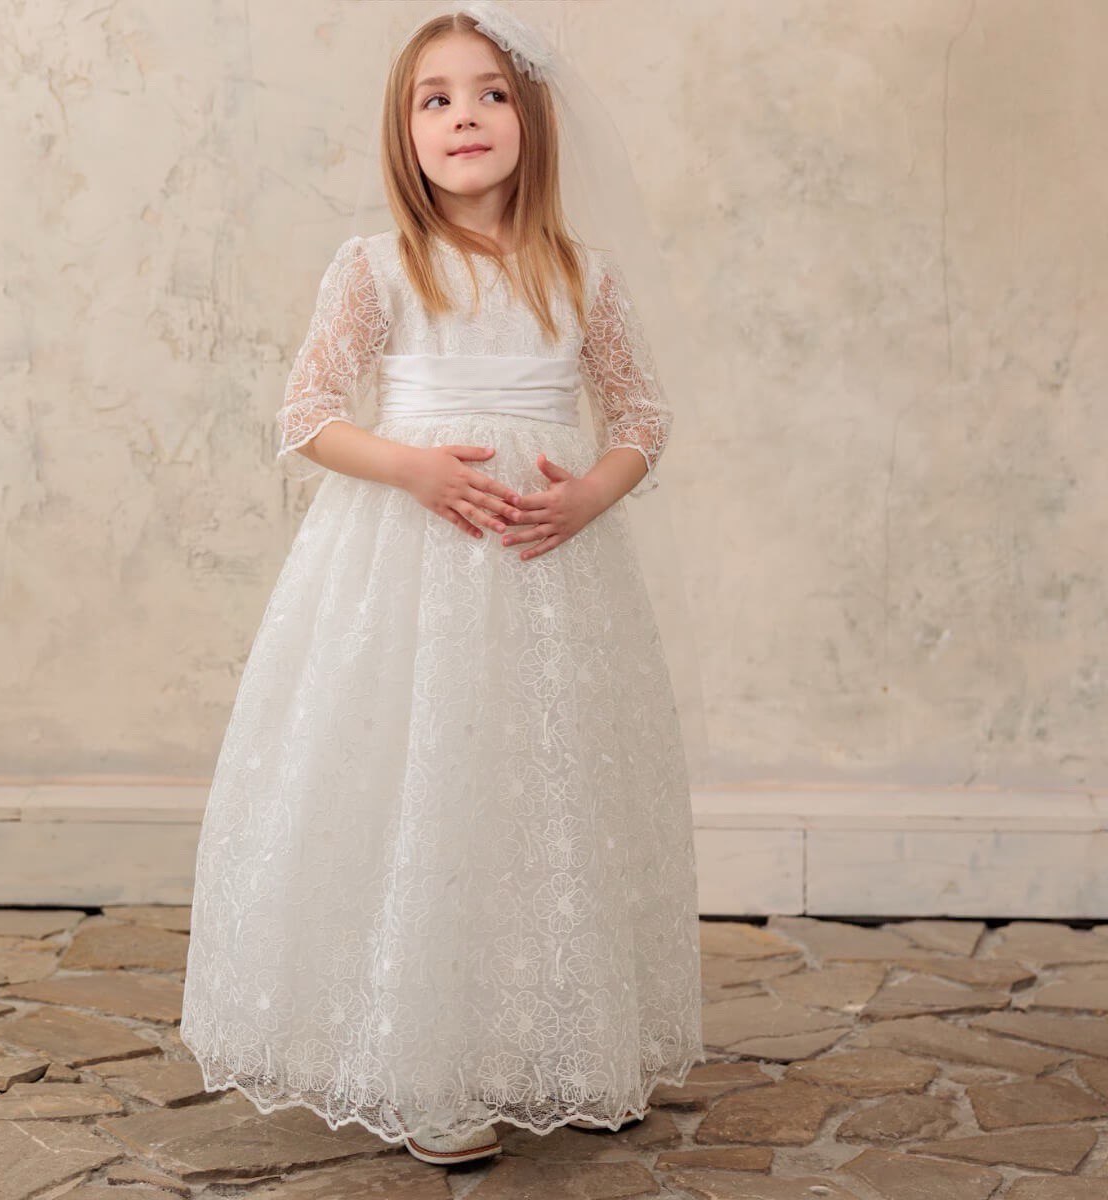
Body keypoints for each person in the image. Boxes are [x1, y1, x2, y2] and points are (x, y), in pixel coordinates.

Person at [179, 0, 706, 1169]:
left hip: (547, 572)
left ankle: (571, 1048)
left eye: (489, 92)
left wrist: (589, 494)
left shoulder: (581, 274)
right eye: (436, 97)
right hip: (410, 572)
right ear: (405, 133)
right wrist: (412, 466)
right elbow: (306, 414)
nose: (463, 115)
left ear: (533, 119)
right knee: (425, 788)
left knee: (546, 793)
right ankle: (424, 1063)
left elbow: (643, 416)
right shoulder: (381, 266)